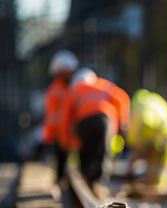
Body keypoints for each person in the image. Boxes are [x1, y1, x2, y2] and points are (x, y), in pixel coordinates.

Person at [60, 68, 130, 187]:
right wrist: (122, 123)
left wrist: (67, 141)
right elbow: (122, 99)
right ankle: (99, 182)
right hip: (103, 120)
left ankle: (87, 177)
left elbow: (66, 116)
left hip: (83, 122)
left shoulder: (75, 90)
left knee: (85, 149)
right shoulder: (104, 85)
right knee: (103, 150)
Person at [126, 89, 167, 195]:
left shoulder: (140, 107)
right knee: (162, 167)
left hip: (163, 134)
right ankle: (156, 190)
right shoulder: (150, 102)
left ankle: (156, 192)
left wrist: (138, 145)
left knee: (160, 168)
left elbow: (146, 123)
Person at [41, 50, 79, 179]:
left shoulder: (62, 89)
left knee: (64, 168)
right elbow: (57, 119)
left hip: (61, 136)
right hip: (60, 136)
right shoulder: (58, 91)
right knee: (61, 168)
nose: (72, 74)